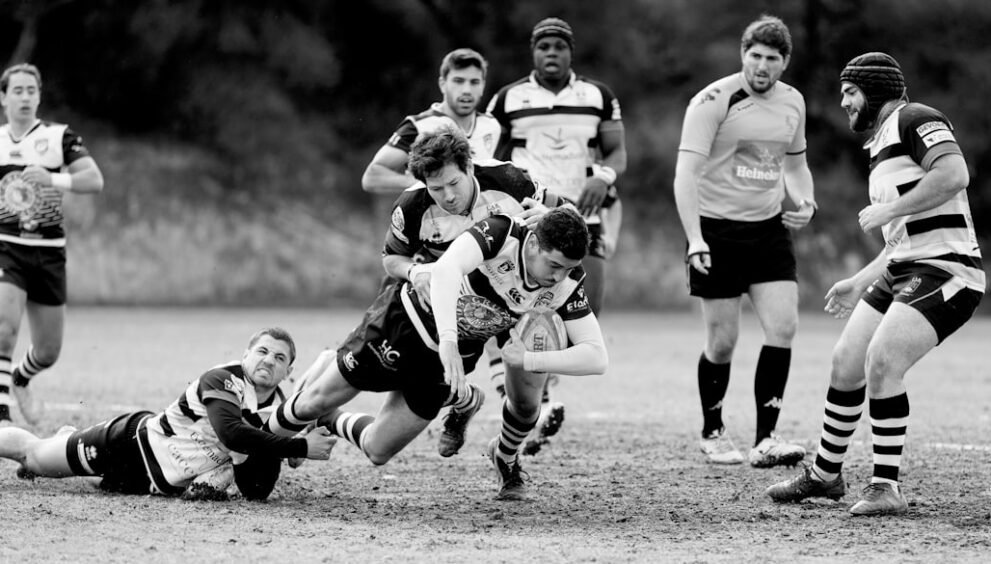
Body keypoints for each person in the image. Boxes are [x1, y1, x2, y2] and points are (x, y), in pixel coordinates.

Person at [765, 52, 984, 516]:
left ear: (875, 89)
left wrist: (890, 208)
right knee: (845, 361)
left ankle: (886, 488)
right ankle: (825, 476)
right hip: (901, 268)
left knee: (881, 361)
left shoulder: (914, 118)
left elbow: (955, 174)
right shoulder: (880, 145)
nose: (843, 102)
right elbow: (901, 240)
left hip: (947, 270)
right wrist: (859, 279)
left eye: (850, 92)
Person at [266, 206, 606, 502]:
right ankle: (242, 448)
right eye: (554, 265)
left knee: (377, 450)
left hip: (448, 364)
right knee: (311, 401)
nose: (559, 276)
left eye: (567, 268)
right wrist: (448, 341)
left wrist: (527, 360)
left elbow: (596, 356)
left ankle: (330, 417)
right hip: (403, 326)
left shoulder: (566, 280)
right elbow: (446, 269)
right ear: (534, 243)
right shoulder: (502, 233)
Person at [291, 127, 560, 459]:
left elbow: (563, 217)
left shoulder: (509, 179)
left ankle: (493, 440)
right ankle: (459, 400)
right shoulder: (413, 205)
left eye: (453, 184)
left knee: (526, 403)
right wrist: (415, 271)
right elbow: (391, 259)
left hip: (513, 303)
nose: (447, 196)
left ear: (470, 169)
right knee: (378, 444)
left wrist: (551, 216)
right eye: (436, 188)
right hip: (446, 313)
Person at [672, 15, 816, 467]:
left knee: (784, 328)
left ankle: (765, 439)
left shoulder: (793, 102)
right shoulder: (712, 101)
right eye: (754, 56)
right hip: (715, 232)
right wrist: (695, 238)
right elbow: (685, 175)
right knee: (722, 342)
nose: (761, 66)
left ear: (785, 63)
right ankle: (713, 431)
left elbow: (794, 164)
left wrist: (806, 200)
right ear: (742, 54)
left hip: (769, 231)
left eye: (771, 59)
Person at [486, 16, 627, 453]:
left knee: (587, 308)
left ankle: (538, 387)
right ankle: (535, 401)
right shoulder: (508, 99)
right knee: (517, 303)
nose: (551, 53)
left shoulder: (598, 96)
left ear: (570, 52)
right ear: (533, 52)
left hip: (585, 219)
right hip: (532, 218)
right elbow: (486, 155)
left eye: (559, 46)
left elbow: (618, 151)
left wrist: (603, 176)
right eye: (543, 46)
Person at [0, 328, 337, 499]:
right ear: (245, 354)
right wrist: (299, 448)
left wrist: (287, 442)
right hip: (130, 445)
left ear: (289, 371)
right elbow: (233, 433)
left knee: (96, 484)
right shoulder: (223, 379)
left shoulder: (278, 409)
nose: (268, 360)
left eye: (279, 358)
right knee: (34, 458)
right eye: (262, 351)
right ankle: (60, 441)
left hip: (155, 483)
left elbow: (258, 487)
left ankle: (65, 436)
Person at [0, 64, 105, 426]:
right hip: (6, 247)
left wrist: (52, 179)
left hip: (48, 252)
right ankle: (1, 414)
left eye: (32, 90)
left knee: (47, 351)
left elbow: (93, 180)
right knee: (4, 328)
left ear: (39, 96)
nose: (25, 96)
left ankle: (20, 378)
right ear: (3, 97)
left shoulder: (58, 137)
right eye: (18, 90)